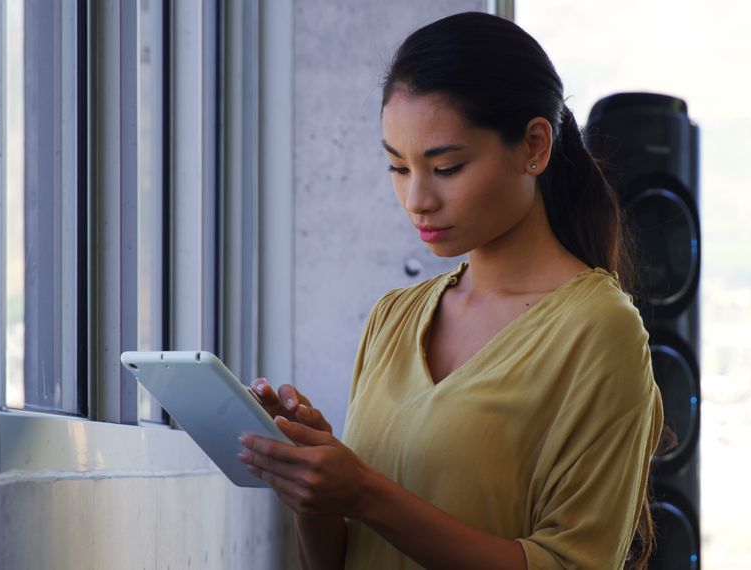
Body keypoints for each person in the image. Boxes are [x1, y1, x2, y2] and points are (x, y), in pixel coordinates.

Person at [237, 11, 666, 569]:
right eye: (397, 167)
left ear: (534, 145)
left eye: (447, 167)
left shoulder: (598, 329)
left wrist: (365, 492)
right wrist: (316, 486)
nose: (416, 199)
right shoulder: (392, 318)